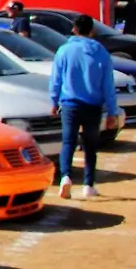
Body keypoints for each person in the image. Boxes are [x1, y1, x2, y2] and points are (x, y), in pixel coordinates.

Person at [50, 14, 119, 199]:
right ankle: (88, 184)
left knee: (68, 142)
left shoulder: (64, 50)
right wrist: (112, 110)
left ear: (74, 29)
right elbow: (108, 85)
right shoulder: (101, 52)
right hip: (93, 105)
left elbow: (56, 79)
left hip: (70, 103)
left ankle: (65, 176)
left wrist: (54, 101)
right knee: (90, 145)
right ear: (92, 31)